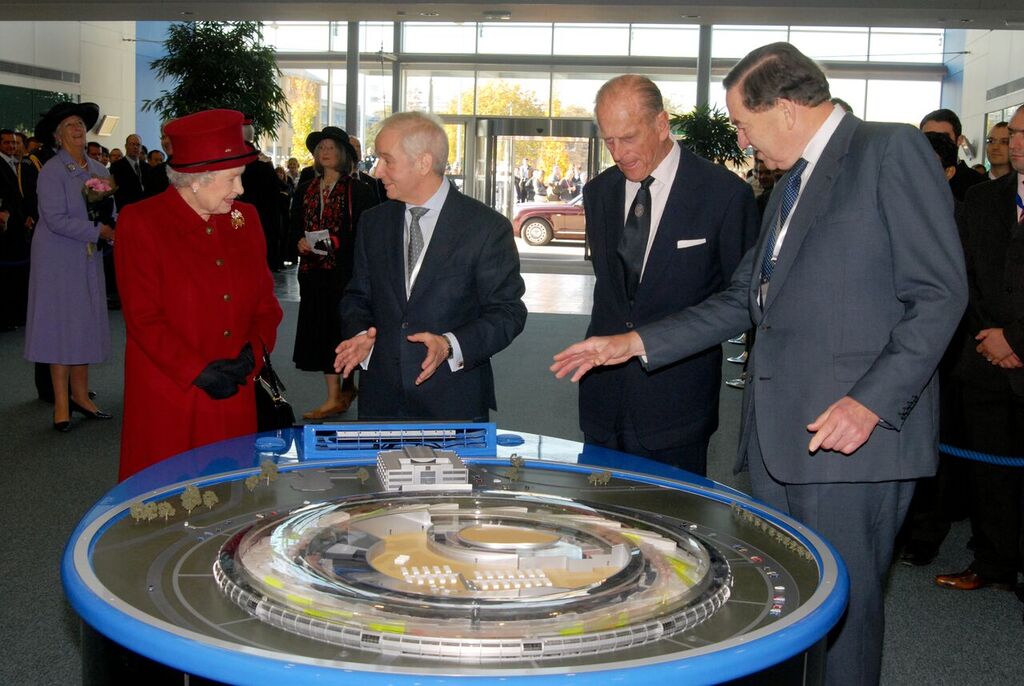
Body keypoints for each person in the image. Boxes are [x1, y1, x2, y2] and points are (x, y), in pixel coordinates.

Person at [551, 43, 967, 686]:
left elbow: (940, 294)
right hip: (779, 439)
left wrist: (872, 401)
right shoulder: (787, 185)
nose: (739, 139)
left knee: (845, 618)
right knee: (789, 611)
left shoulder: (888, 151)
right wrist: (633, 344)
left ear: (787, 108)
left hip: (852, 437)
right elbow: (744, 300)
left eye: (742, 123)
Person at [577, 74, 758, 475]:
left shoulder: (723, 195)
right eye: (608, 141)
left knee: (670, 530)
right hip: (602, 400)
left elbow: (744, 300)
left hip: (676, 405)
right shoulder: (600, 192)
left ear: (661, 124)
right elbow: (613, 292)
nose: (618, 153)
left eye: (628, 138)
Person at [114, 109, 283, 481]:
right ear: (194, 179)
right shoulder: (141, 222)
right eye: (232, 178)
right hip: (170, 393)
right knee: (164, 502)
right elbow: (143, 318)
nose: (240, 189)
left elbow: (266, 305)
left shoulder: (246, 218)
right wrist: (197, 372)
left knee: (230, 494)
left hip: (233, 390)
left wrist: (251, 356)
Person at [334, 111, 526, 422]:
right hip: (381, 401)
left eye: (386, 160)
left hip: (452, 401)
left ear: (423, 163)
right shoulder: (374, 223)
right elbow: (357, 296)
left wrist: (451, 345)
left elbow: (508, 312)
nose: (376, 170)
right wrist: (360, 334)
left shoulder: (486, 228)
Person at [934, 104, 1024, 593]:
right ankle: (992, 564)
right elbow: (959, 278)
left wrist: (1017, 340)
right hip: (985, 361)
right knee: (991, 477)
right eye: (1013, 134)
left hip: (1016, 351)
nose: (1014, 143)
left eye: (1023, 134)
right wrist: (991, 338)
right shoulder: (984, 200)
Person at [23, 101, 116, 431]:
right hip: (58, 258)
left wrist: (114, 227)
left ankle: (81, 396)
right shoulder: (52, 170)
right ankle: (61, 404)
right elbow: (55, 219)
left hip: (88, 256)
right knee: (60, 327)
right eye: (70, 126)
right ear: (58, 136)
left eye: (80, 124)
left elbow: (107, 210)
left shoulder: (98, 169)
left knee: (84, 323)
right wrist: (98, 230)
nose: (78, 129)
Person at [291, 126, 374, 419]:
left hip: (345, 274)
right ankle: (334, 395)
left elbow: (367, 233)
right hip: (314, 274)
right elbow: (294, 226)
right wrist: (300, 241)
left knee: (346, 329)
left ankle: (347, 386)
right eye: (320, 148)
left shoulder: (358, 190)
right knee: (322, 333)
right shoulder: (306, 188)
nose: (324, 152)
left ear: (342, 154)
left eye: (331, 148)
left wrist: (336, 243)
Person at [920, 108, 986, 201]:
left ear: (959, 141)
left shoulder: (979, 186)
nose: (935, 142)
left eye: (943, 137)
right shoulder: (906, 179)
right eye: (928, 137)